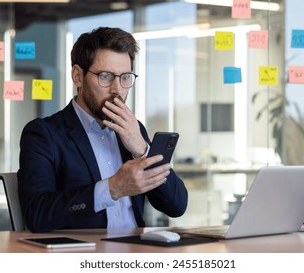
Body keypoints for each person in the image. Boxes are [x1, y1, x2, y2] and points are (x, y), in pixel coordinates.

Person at [17, 27, 188, 233]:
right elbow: (37, 214)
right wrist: (112, 188)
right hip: (83, 257)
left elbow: (176, 206)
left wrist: (143, 149)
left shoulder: (133, 130)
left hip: (138, 254)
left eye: (125, 77)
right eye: (106, 76)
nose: (117, 89)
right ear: (78, 76)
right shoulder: (44, 134)